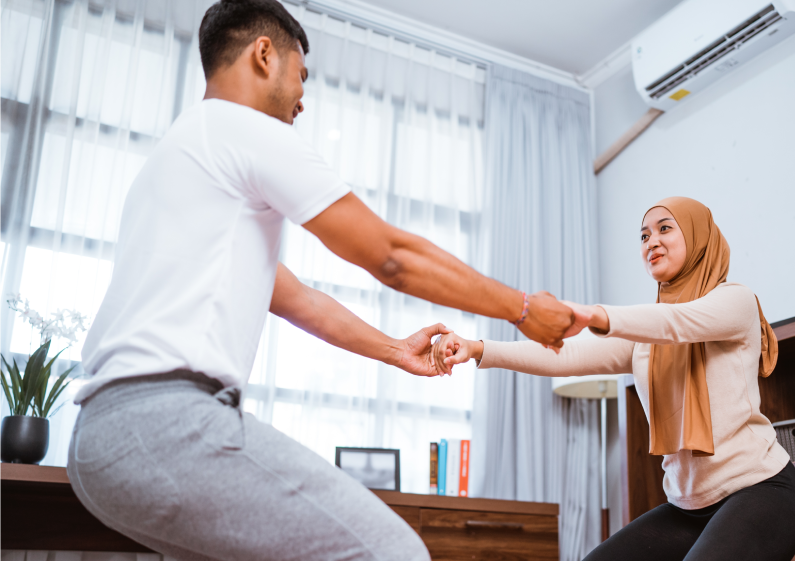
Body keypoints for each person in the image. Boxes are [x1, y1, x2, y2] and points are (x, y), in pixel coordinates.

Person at [66, 1, 575, 560]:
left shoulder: (183, 155)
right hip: (165, 423)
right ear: (264, 55)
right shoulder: (243, 128)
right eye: (301, 76)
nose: (303, 99)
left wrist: (391, 350)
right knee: (394, 553)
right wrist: (522, 308)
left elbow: (296, 298)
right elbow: (390, 256)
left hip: (101, 444)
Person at [433, 197, 795, 561]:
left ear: (697, 238)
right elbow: (567, 355)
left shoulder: (734, 301)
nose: (652, 242)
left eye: (665, 229)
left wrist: (595, 314)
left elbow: (676, 323)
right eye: (644, 236)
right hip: (688, 509)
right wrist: (478, 348)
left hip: (761, 492)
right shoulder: (646, 340)